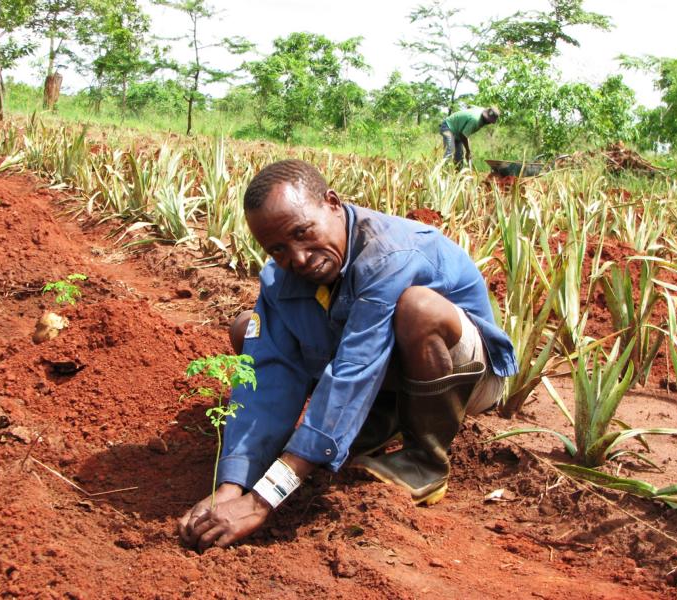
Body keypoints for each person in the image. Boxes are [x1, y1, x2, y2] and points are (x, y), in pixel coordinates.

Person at [178, 159, 517, 551]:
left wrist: (262, 499)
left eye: (303, 232)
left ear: (333, 203)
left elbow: (354, 370)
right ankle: (373, 426)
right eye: (278, 249)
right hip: (382, 372)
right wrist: (230, 487)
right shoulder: (282, 276)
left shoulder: (389, 254)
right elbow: (266, 377)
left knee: (417, 308)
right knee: (249, 328)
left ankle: (426, 462)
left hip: (466, 376)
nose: (299, 258)